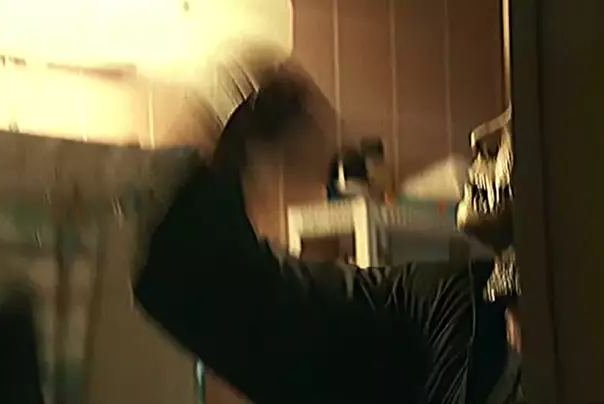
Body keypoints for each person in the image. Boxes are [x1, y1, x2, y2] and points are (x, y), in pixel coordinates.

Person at [134, 59, 513, 404]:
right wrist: (227, 124)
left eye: (518, 123)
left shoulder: (461, 316)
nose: (482, 137)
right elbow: (221, 284)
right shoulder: (448, 304)